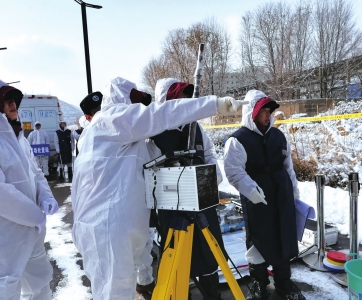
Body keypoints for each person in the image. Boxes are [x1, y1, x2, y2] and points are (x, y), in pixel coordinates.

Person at [71, 77, 246, 300]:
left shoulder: (121, 139)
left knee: (116, 289)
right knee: (114, 292)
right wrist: (214, 104)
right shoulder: (112, 120)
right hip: (109, 230)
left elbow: (150, 163)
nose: (139, 109)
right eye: (135, 103)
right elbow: (160, 114)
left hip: (115, 229)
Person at [0, 75, 59, 300]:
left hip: (29, 235)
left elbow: (35, 173)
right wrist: (36, 215)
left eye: (14, 100)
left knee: (40, 287)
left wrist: (45, 196)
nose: (13, 105)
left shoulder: (19, 139)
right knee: (1, 293)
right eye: (6, 101)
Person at [148, 78, 229, 300]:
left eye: (184, 97)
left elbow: (210, 155)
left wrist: (210, 180)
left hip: (203, 203)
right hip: (174, 211)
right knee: (179, 259)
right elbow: (150, 173)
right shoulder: (154, 134)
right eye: (177, 97)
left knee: (209, 253)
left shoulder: (196, 129)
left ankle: (213, 295)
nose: (182, 101)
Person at [223, 90, 305, 300]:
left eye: (270, 111)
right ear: (252, 112)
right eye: (264, 111)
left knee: (283, 236)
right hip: (257, 198)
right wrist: (250, 190)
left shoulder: (278, 135)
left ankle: (284, 284)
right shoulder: (238, 140)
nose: (268, 115)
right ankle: (259, 284)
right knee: (258, 239)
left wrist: (294, 190)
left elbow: (288, 166)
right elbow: (234, 171)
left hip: (281, 193)